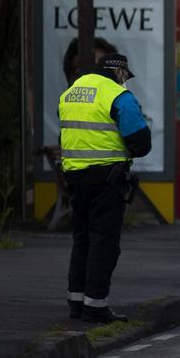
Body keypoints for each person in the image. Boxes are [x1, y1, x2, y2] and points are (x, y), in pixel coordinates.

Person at [59, 53, 152, 323]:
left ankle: (76, 302)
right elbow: (141, 141)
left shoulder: (72, 91)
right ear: (120, 72)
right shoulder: (117, 95)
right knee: (104, 242)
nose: (126, 80)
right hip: (106, 179)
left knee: (82, 238)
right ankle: (96, 306)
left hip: (75, 177)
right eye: (125, 76)